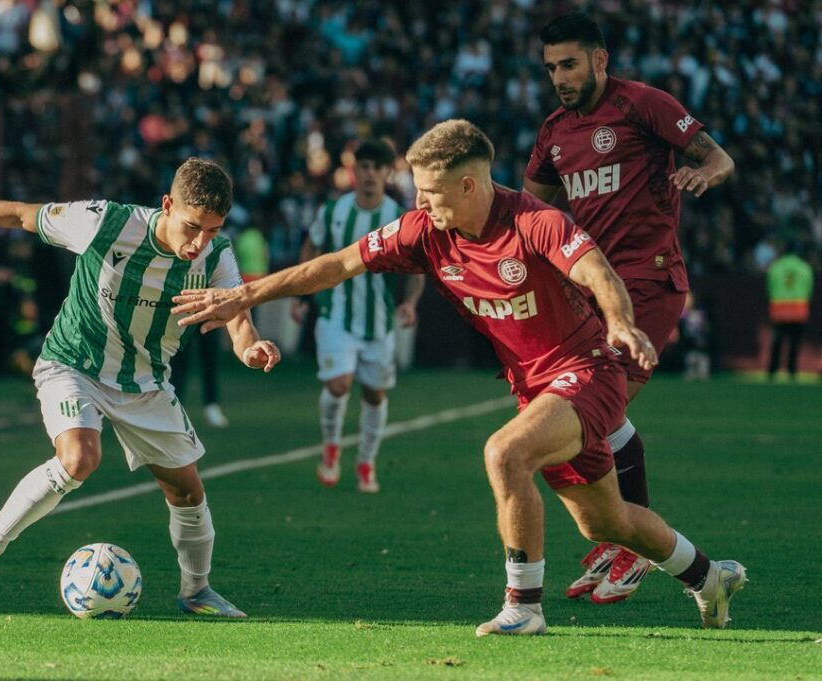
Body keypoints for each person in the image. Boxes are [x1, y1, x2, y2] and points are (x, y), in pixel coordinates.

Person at [172, 120, 746, 636]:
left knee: (505, 454)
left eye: (430, 191)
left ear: (470, 186)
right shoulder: (425, 230)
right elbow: (336, 265)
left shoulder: (534, 221)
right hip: (535, 387)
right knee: (607, 522)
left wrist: (621, 323)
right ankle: (709, 576)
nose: (420, 202)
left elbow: (596, 272)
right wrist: (243, 294)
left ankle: (523, 605)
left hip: (587, 372)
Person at [0, 158, 280, 618]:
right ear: (167, 205)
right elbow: (20, 214)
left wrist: (251, 347)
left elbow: (237, 316)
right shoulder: (106, 222)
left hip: (146, 382)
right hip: (73, 363)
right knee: (80, 458)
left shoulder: (217, 257)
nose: (200, 242)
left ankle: (196, 591)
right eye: (193, 226)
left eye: (213, 230)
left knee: (186, 492)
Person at [522, 11, 735, 604]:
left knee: (587, 409)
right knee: (601, 414)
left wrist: (703, 173)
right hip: (587, 290)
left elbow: (719, 157)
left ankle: (633, 542)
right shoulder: (554, 133)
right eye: (550, 68)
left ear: (599, 59)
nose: (559, 77)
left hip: (648, 281)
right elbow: (528, 216)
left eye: (568, 63)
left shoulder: (643, 104)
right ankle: (653, 549)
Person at [290, 139, 424, 492]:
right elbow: (313, 244)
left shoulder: (397, 217)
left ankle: (366, 461)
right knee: (338, 384)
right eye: (363, 167)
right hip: (335, 313)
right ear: (355, 171)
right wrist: (302, 290)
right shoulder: (335, 209)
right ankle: (331, 449)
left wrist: (409, 302)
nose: (369, 174)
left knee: (374, 395)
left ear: (386, 173)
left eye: (376, 168)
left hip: (378, 320)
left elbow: (416, 267)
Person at [766, 241, 813, 380]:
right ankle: (792, 371)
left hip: (779, 309)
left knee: (777, 342)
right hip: (798, 309)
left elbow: (769, 288)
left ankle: (772, 371)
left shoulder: (775, 267)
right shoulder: (805, 268)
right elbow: (808, 289)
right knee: (794, 343)